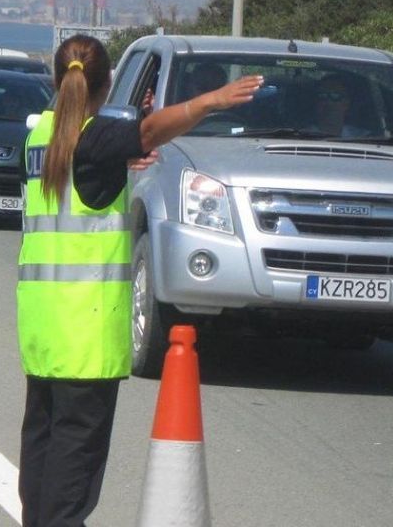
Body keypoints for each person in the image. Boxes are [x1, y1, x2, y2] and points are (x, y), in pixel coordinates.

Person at [16, 34, 261, 527]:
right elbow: (147, 133)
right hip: (85, 337)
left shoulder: (41, 137)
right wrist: (209, 100)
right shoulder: (93, 141)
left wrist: (119, 154)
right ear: (106, 85)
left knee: (41, 461)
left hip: (42, 331)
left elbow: (94, 161)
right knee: (71, 481)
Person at [312, 73, 365, 138]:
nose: (328, 102)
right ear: (316, 103)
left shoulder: (364, 138)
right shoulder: (300, 137)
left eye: (335, 96)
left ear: (347, 103)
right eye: (322, 96)